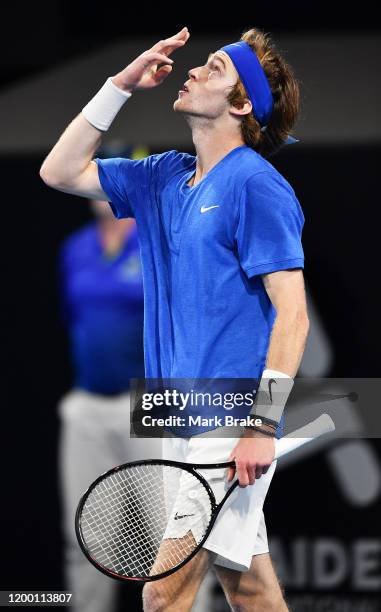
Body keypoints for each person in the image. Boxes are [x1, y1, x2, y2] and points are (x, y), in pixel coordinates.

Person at [41, 25, 310, 612]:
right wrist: (119, 86)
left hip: (229, 419)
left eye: (213, 69)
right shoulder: (162, 175)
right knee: (250, 589)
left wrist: (262, 425)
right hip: (172, 416)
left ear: (241, 106)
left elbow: (293, 316)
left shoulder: (258, 187)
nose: (192, 70)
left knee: (162, 595)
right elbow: (58, 172)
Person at [57, 195, 160, 612]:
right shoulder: (75, 247)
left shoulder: (156, 243)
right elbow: (74, 319)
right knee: (86, 538)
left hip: (149, 401)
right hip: (87, 403)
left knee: (172, 538)